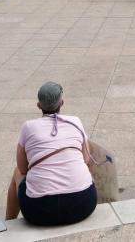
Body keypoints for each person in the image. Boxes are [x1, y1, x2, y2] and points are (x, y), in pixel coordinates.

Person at [5, 82, 98, 227]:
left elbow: (22, 168)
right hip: (83, 204)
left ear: (38, 105)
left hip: (39, 211)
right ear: (62, 103)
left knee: (17, 173)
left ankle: (8, 224)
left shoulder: (28, 127)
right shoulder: (75, 121)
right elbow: (86, 159)